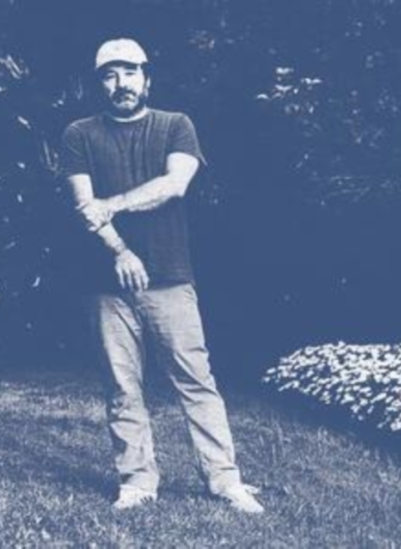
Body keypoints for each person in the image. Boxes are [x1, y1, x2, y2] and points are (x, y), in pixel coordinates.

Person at [60, 38, 264, 514]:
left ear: (147, 79)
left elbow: (175, 185)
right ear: (98, 84)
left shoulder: (176, 125)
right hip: (105, 282)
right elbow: (83, 207)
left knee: (196, 380)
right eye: (110, 75)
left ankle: (224, 480)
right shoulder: (79, 134)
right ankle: (136, 482)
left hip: (170, 277)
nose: (121, 83)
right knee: (121, 386)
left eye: (130, 72)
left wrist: (112, 204)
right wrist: (120, 251)